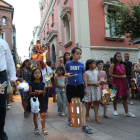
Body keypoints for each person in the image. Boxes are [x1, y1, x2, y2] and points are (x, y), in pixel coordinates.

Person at [65, 47, 93, 134]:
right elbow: (65, 73)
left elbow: (84, 76)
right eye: (77, 53)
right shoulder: (68, 64)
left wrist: (86, 87)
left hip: (80, 86)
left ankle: (83, 123)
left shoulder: (81, 64)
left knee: (82, 104)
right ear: (72, 54)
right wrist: (67, 75)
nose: (79, 55)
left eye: (80, 53)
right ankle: (70, 119)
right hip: (70, 86)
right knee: (70, 103)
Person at [0, 25, 17, 140]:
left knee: (1, 106)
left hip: (1, 79)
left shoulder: (3, 43)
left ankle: (0, 131)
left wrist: (13, 76)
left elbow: (9, 61)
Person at [110, 52, 135, 117]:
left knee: (124, 96)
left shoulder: (123, 65)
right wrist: (120, 77)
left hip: (122, 82)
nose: (119, 58)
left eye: (120, 57)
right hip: (115, 82)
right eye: (118, 56)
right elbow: (110, 74)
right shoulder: (113, 65)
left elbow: (124, 74)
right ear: (115, 57)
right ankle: (115, 110)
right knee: (114, 96)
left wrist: (124, 76)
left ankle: (127, 112)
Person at [29, 68, 48, 135]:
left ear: (41, 74)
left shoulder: (42, 83)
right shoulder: (31, 83)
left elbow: (45, 91)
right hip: (34, 100)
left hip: (41, 100)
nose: (37, 74)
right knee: (35, 114)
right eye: (35, 73)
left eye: (39, 73)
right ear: (33, 75)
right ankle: (36, 127)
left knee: (43, 114)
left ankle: (43, 128)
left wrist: (41, 92)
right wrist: (35, 93)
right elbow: (30, 92)